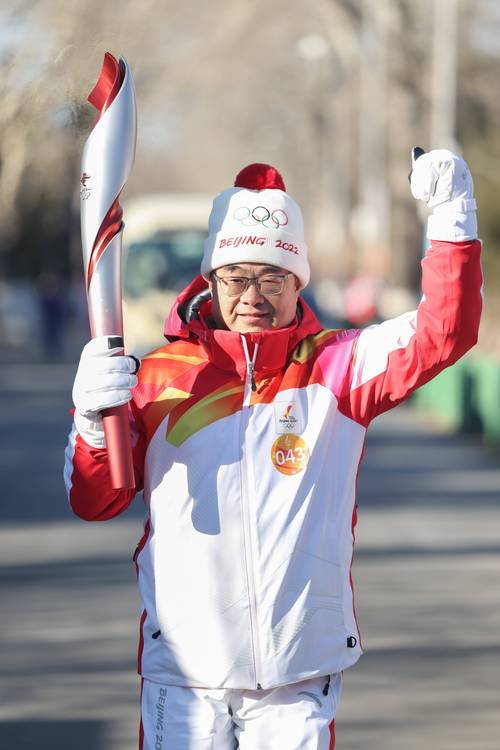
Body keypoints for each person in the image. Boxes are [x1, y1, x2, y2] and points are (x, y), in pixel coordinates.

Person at [64, 151, 482, 749]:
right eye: (236, 276)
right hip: (185, 674)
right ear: (210, 281)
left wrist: (451, 220)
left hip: (296, 673)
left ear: (297, 284)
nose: (252, 295)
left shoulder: (337, 368)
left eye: (272, 277)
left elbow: (446, 331)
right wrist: (90, 420)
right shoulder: (158, 378)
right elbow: (95, 499)